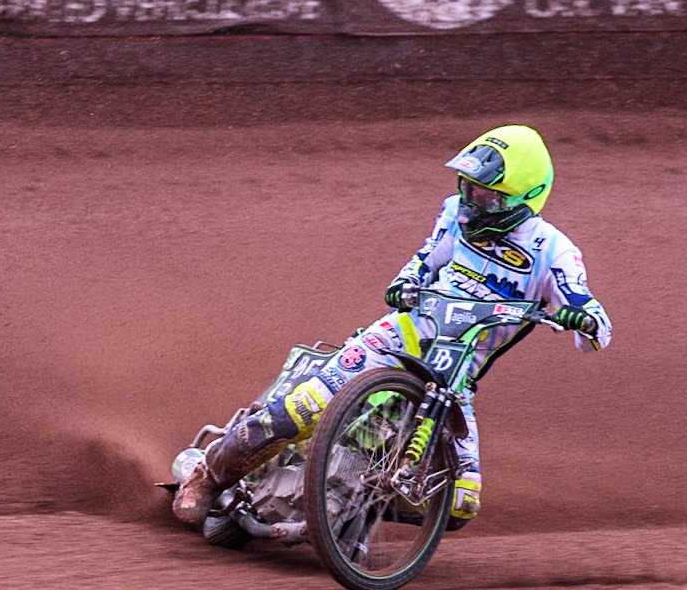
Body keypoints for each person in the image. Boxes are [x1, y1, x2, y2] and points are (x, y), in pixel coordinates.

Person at [173, 124, 611, 530]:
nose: (471, 203)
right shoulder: (453, 214)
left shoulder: (554, 252)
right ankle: (207, 476)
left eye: (486, 196)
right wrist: (405, 282)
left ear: (526, 198)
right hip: (399, 335)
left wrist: (585, 319)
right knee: (303, 407)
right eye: (467, 188)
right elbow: (426, 258)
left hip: (455, 376)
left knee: (459, 504)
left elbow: (595, 320)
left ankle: (349, 503)